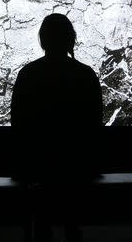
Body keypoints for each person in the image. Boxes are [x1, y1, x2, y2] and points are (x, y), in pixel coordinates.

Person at [11, 13, 103, 242]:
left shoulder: (28, 74)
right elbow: (94, 126)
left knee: (41, 221)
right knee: (72, 221)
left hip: (36, 165)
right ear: (71, 39)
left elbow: (18, 124)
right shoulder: (85, 75)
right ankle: (72, 230)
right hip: (77, 164)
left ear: (43, 39)